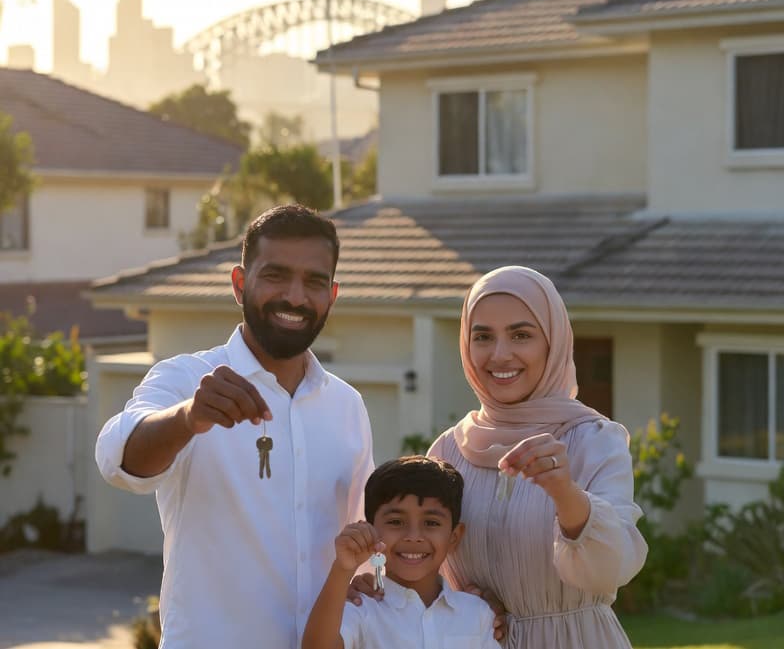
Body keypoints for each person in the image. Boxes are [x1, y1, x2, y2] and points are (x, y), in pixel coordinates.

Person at [95, 204, 375, 649]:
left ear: (333, 296)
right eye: (276, 275)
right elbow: (119, 458)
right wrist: (190, 417)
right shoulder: (186, 380)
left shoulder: (347, 405)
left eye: (314, 282)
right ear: (239, 284)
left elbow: (363, 554)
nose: (296, 297)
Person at [426, 265, 648, 648]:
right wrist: (461, 601)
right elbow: (421, 560)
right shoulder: (448, 450)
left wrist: (564, 492)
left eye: (521, 335)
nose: (500, 354)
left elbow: (611, 570)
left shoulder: (594, 441)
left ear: (554, 342)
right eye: (483, 336)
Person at [302, 455, 503, 649]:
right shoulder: (361, 608)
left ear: (454, 537)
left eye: (431, 523)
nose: (413, 536)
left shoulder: (476, 613)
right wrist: (343, 568)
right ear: (370, 530)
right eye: (396, 522)